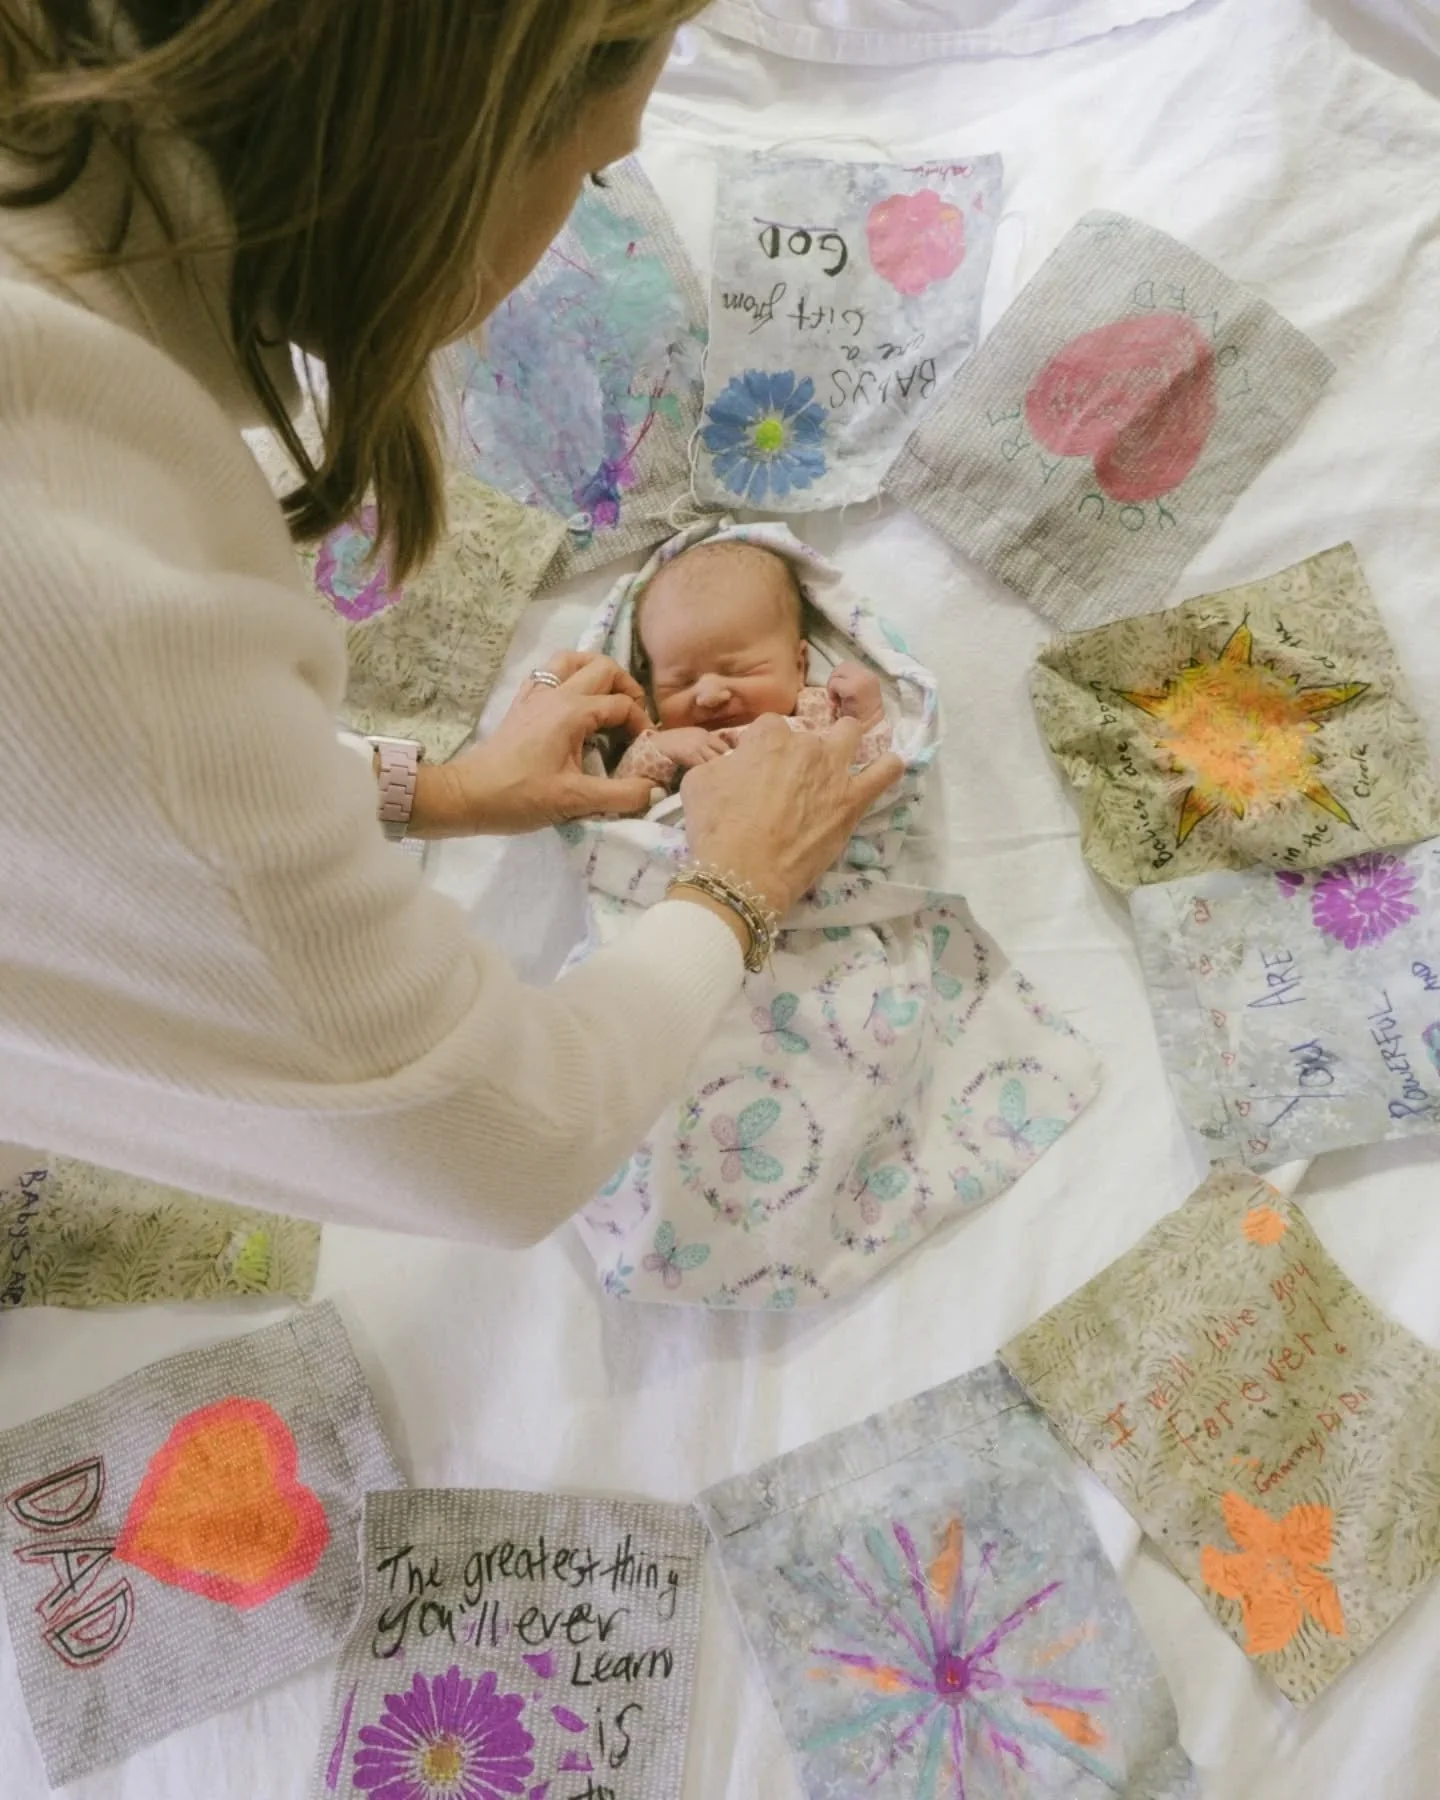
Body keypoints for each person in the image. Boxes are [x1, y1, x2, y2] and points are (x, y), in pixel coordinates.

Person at [0, 2, 902, 1244]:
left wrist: (434, 793)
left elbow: (112, 789)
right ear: (452, 135)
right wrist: (738, 883)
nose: (701, 699)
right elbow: (494, 1148)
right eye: (589, 169)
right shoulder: (71, 520)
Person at [614, 535, 893, 793]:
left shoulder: (817, 711)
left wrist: (865, 718)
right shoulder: (667, 739)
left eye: (738, 671)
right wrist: (661, 748)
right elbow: (620, 800)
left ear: (799, 667)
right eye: (681, 683)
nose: (710, 696)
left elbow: (870, 779)